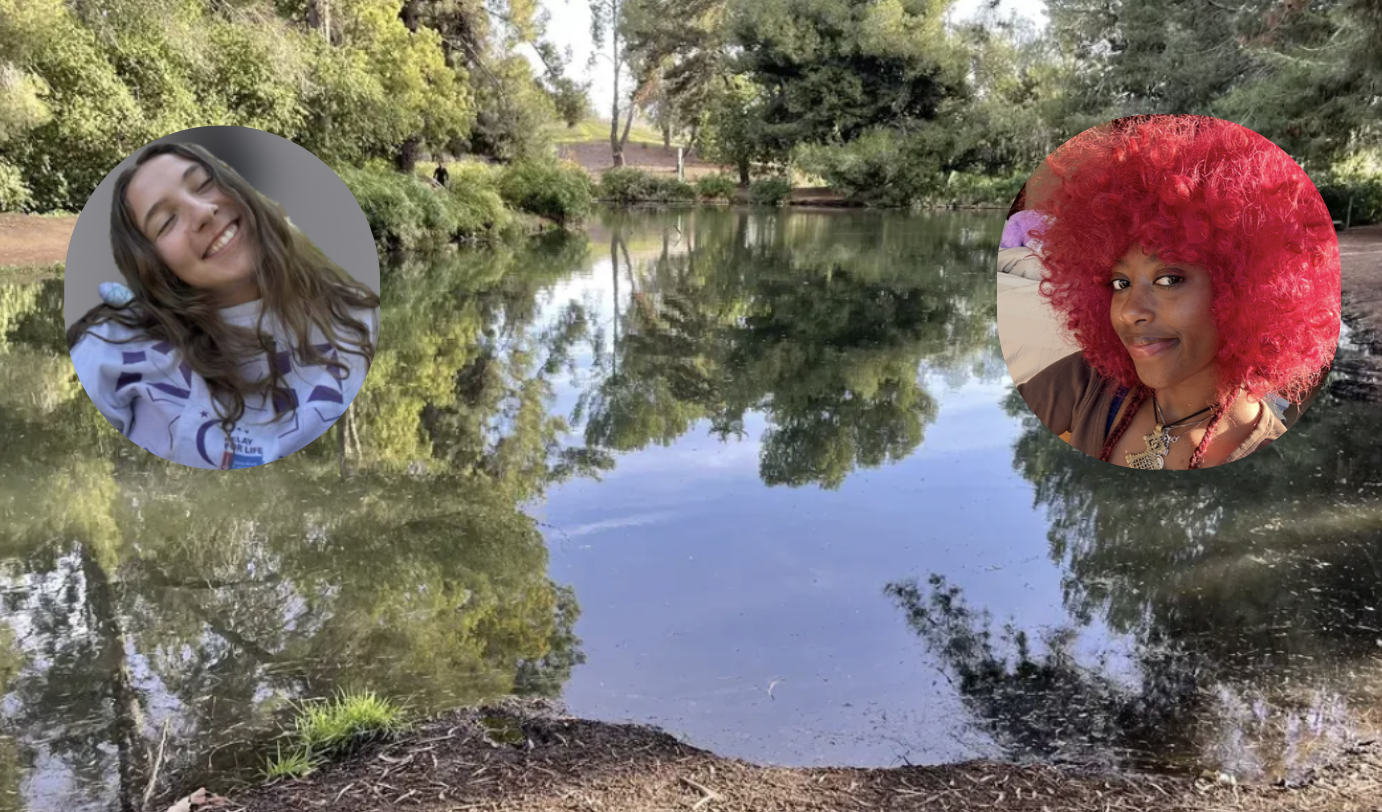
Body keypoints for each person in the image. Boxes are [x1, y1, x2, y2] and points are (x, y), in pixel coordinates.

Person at [1016, 115, 1339, 470]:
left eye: (1169, 279)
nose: (1129, 311)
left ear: (1245, 292)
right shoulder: (1087, 380)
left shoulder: (1269, 462)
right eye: (1120, 283)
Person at [68, 141, 380, 470]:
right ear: (151, 265)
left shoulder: (358, 317)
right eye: (166, 222)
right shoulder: (109, 351)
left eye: (205, 184)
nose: (203, 212)